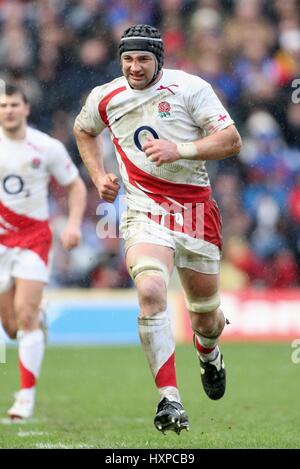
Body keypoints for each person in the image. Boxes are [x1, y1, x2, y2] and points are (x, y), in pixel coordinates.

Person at [73, 24, 242, 434]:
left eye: (143, 59)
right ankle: (170, 400)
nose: (134, 67)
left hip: (196, 213)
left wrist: (179, 148)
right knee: (150, 291)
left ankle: (210, 355)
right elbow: (83, 129)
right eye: (127, 59)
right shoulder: (106, 96)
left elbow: (231, 140)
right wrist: (98, 175)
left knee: (206, 320)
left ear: (159, 60)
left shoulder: (190, 89)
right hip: (144, 211)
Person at [0, 84, 87, 420]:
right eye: (3, 105)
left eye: (14, 105)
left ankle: (25, 397)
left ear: (26, 109)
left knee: (25, 315)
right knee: (10, 327)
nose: (8, 110)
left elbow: (75, 185)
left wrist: (74, 225)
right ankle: (38, 319)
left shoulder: (46, 147)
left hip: (33, 240)